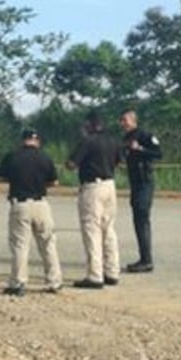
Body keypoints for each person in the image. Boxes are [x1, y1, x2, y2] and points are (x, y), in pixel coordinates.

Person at [0, 128, 63, 296]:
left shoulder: (12, 156)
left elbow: (1, 177)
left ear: (22, 140)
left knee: (20, 246)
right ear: (37, 141)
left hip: (20, 204)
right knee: (48, 243)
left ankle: (18, 283)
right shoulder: (44, 157)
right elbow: (54, 182)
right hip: (41, 204)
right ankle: (54, 281)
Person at [65, 110, 121, 289]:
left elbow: (72, 164)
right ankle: (112, 271)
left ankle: (95, 275)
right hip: (110, 185)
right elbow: (120, 162)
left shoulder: (88, 141)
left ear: (89, 124)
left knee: (92, 230)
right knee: (108, 229)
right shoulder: (113, 140)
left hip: (92, 187)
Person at [118, 109, 162, 273]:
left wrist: (140, 149)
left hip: (145, 181)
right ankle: (143, 257)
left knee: (142, 218)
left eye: (124, 120)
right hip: (135, 183)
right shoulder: (126, 138)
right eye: (121, 120)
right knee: (137, 219)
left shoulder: (145, 135)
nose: (122, 123)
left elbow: (159, 153)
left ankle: (147, 260)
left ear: (133, 120)